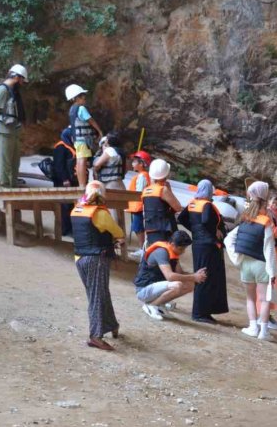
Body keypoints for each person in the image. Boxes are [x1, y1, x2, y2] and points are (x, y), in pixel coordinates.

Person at [71, 181, 124, 351]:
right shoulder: (100, 213)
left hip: (80, 257)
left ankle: (112, 325)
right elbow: (118, 232)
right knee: (97, 296)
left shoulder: (77, 210)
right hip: (96, 259)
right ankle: (95, 336)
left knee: (99, 293)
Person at [227, 181, 277, 340]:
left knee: (250, 298)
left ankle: (252, 327)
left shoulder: (244, 218)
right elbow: (269, 247)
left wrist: (236, 258)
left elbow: (229, 239)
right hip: (262, 265)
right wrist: (273, 270)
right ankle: (263, 331)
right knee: (264, 300)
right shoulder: (266, 221)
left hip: (246, 264)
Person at [178, 179, 228, 324]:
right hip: (208, 246)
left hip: (198, 244)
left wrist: (195, 229)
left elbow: (182, 218)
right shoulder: (206, 205)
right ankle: (199, 313)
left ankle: (203, 311)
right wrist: (215, 231)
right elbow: (206, 221)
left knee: (202, 275)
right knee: (205, 277)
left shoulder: (193, 203)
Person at [133, 230, 207, 320]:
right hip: (144, 290)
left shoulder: (173, 253)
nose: (182, 252)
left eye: (184, 249)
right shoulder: (161, 252)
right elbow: (170, 276)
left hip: (156, 287)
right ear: (172, 244)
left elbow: (180, 273)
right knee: (177, 285)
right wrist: (194, 277)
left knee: (190, 285)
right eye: (181, 249)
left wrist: (196, 275)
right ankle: (152, 305)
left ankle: (159, 304)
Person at [0, 64, 28, 188]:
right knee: (5, 162)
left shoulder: (12, 91)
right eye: (21, 80)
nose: (22, 83)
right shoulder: (2, 90)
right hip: (3, 130)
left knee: (15, 162)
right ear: (16, 77)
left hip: (13, 130)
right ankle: (5, 187)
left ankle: (13, 185)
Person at [256, 191, 277, 330]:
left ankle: (267, 314)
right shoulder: (268, 214)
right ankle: (263, 316)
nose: (275, 205)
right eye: (273, 202)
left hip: (276, 251)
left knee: (273, 282)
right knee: (268, 282)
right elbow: (271, 232)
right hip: (270, 251)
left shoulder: (276, 213)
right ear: (268, 202)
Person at [65, 84, 103, 188]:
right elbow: (91, 120)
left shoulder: (72, 109)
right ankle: (82, 184)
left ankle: (82, 183)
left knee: (81, 159)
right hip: (82, 140)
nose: (84, 98)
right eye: (82, 95)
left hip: (77, 139)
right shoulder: (81, 108)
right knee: (82, 160)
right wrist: (99, 131)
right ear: (76, 97)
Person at [141, 159, 182, 245]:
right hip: (163, 230)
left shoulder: (146, 190)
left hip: (150, 229)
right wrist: (169, 190)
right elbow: (178, 207)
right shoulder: (163, 190)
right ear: (165, 175)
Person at [51, 127, 77, 236]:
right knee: (64, 207)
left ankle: (70, 228)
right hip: (63, 182)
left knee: (71, 206)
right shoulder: (60, 147)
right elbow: (59, 165)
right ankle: (64, 230)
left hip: (72, 181)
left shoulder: (71, 146)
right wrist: (64, 179)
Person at [125, 150, 151, 257]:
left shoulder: (142, 176)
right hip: (138, 206)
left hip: (139, 207)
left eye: (135, 162)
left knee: (138, 228)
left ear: (141, 164)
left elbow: (139, 192)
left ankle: (142, 249)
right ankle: (142, 248)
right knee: (137, 228)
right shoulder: (142, 175)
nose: (132, 164)